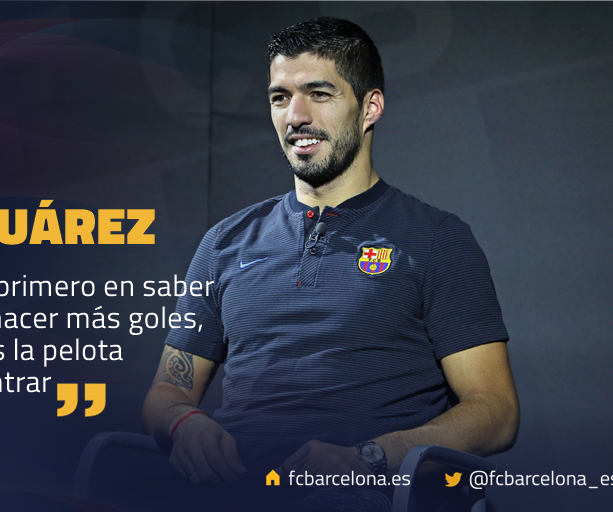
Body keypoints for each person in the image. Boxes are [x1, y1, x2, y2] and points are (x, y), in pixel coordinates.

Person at [140, 17, 519, 510]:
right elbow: (167, 391)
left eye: (319, 94)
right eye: (280, 98)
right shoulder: (223, 243)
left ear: (370, 107)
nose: (295, 116)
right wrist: (184, 423)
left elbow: (496, 413)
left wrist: (371, 457)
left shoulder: (436, 239)